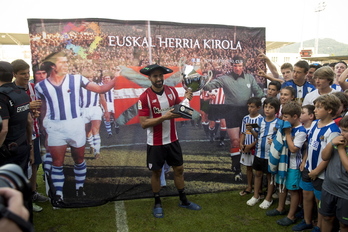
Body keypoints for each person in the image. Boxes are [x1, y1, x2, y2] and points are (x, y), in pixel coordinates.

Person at [35, 51, 119, 206]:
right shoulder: (40, 87)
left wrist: (117, 78)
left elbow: (101, 90)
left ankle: (79, 188)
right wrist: (43, 126)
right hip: (55, 127)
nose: (67, 65)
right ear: (53, 66)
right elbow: (44, 108)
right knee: (57, 162)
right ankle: (59, 194)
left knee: (79, 159)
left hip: (75, 125)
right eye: (63, 62)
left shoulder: (77, 79)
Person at [138, 64, 201, 218]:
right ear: (150, 78)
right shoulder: (144, 97)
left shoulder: (172, 91)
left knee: (179, 170)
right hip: (155, 143)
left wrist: (186, 100)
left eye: (161, 76)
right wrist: (164, 117)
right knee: (156, 172)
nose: (159, 79)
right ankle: (157, 202)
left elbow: (180, 110)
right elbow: (144, 123)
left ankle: (183, 200)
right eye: (155, 76)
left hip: (173, 140)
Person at [203, 55, 264, 180]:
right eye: (235, 66)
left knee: (252, 139)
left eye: (240, 66)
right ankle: (236, 169)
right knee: (235, 141)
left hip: (248, 113)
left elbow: (259, 93)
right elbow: (210, 86)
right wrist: (204, 83)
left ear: (244, 66)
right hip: (231, 112)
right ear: (231, 66)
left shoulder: (249, 78)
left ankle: (253, 168)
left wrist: (262, 101)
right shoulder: (224, 78)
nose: (237, 68)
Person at [293, 94, 341, 232]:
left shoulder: (333, 131)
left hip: (320, 174)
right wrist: (304, 161)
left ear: (329, 110)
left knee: (319, 202)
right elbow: (310, 145)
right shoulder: (314, 124)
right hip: (308, 168)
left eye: (319, 107)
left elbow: (329, 157)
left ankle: (319, 226)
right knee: (307, 195)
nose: (315, 110)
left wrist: (317, 171)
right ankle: (307, 221)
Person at [11, 59, 49, 213]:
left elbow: (34, 108)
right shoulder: (10, 91)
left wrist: (35, 113)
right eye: (23, 74)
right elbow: (11, 112)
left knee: (35, 164)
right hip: (20, 135)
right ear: (14, 74)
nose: (27, 76)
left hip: (34, 131)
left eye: (28, 73)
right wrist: (28, 107)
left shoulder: (32, 87)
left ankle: (32, 193)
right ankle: (24, 199)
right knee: (23, 168)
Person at [0, 61, 33, 221]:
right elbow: (28, 122)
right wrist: (29, 143)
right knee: (21, 185)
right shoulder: (21, 93)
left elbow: (3, 129)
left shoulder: (2, 96)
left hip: (7, 151)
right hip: (22, 146)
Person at [266, 102, 307, 227]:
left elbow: (294, 149)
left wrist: (288, 134)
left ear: (295, 117)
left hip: (293, 165)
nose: (283, 119)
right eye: (283, 116)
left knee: (292, 191)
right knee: (281, 186)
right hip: (282, 163)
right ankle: (280, 208)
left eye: (286, 117)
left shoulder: (301, 131)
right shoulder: (285, 127)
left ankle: (291, 216)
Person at [246, 97, 280, 209]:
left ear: (276, 110)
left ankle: (268, 198)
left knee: (270, 177)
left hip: (270, 155)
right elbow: (258, 136)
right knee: (258, 174)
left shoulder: (279, 123)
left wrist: (274, 142)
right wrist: (251, 130)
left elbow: (281, 139)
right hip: (259, 153)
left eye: (271, 107)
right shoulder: (260, 121)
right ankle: (256, 196)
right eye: (266, 107)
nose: (267, 109)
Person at [320, 116, 348, 232]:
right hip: (329, 187)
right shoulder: (337, 141)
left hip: (345, 193)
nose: (342, 134)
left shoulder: (341, 146)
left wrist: (341, 149)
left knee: (344, 224)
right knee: (326, 217)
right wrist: (331, 143)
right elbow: (324, 156)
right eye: (342, 130)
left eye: (346, 131)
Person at [239, 97, 263, 196]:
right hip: (247, 147)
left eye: (252, 107)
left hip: (256, 148)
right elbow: (243, 132)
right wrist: (241, 144)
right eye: (248, 106)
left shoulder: (261, 119)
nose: (250, 109)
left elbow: (260, 136)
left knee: (258, 169)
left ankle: (260, 189)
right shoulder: (246, 118)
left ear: (258, 107)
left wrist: (251, 146)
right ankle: (249, 186)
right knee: (248, 167)